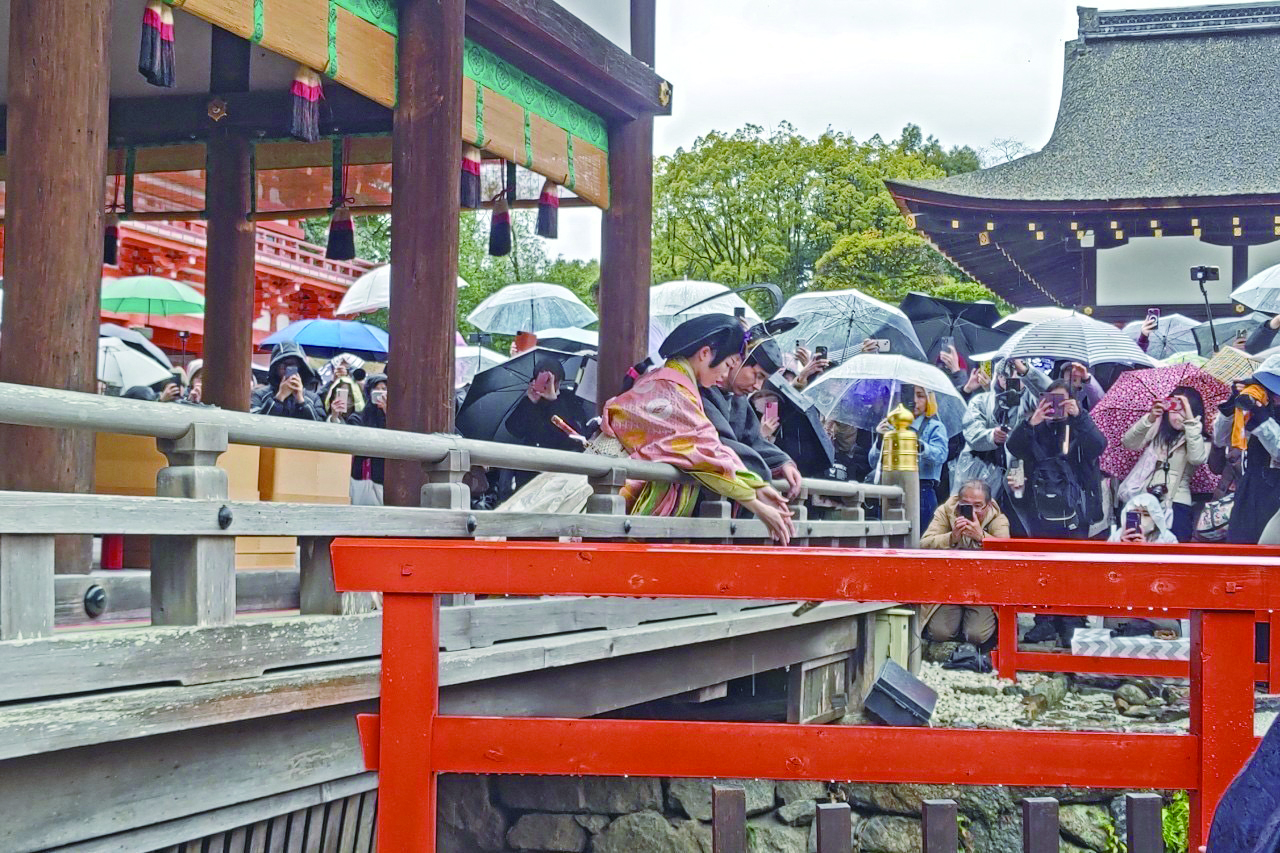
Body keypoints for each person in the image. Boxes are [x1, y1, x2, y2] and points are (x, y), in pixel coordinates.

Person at [603, 313, 795, 545]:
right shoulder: (670, 390)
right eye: (728, 364)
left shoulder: (675, 383)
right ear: (705, 354)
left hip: (615, 498)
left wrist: (759, 484)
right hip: (613, 501)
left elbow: (706, 445)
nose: (726, 374)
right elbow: (702, 451)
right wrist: (754, 498)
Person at [1007, 380, 1106, 645]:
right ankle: (1045, 620)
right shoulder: (1037, 427)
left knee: (1074, 566)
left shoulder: (1079, 425)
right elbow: (1014, 447)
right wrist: (1032, 422)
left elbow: (1099, 445)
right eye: (1051, 400)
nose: (1056, 406)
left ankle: (1072, 620)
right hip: (1042, 507)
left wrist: (1080, 416)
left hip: (1076, 507)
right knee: (1044, 565)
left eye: (1061, 400)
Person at [701, 327, 804, 499]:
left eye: (763, 379)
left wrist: (782, 461)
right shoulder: (701, 391)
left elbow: (754, 440)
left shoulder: (739, 401)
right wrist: (761, 473)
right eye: (758, 375)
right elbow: (720, 443)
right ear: (738, 361)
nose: (758, 386)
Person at [919, 479, 1010, 648]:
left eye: (978, 506)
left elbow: (1005, 553)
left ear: (988, 505)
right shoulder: (945, 512)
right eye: (966, 505)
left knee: (976, 635)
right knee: (939, 632)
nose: (972, 511)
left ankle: (976, 629)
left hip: (983, 587)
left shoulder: (998, 519)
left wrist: (981, 537)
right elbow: (925, 543)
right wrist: (951, 537)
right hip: (949, 584)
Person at [1118, 387, 1208, 542]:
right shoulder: (1158, 428)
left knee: (1174, 551)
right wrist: (1150, 418)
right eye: (1174, 408)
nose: (1177, 416)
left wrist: (1190, 423)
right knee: (1133, 544)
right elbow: (1129, 443)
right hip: (1144, 499)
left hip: (1176, 503)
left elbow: (1197, 458)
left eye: (1183, 409)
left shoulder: (1198, 437)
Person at [1214, 356, 1280, 543]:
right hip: (1249, 486)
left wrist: (1263, 421)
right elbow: (1220, 440)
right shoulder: (1255, 405)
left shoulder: (1262, 413)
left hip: (1275, 492)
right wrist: (1230, 409)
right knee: (1241, 550)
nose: (1273, 395)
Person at [869, 384, 949, 523]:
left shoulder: (935, 426)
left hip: (922, 489)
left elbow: (941, 456)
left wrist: (919, 446)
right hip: (892, 487)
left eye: (920, 396)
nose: (915, 401)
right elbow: (873, 462)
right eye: (910, 395)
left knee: (920, 534)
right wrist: (881, 439)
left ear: (929, 399)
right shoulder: (891, 426)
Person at [251, 341, 326, 420]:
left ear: (301, 368)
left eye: (294, 365)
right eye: (285, 364)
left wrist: (301, 401)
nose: (288, 369)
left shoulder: (313, 398)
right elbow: (255, 422)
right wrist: (279, 398)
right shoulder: (260, 395)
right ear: (276, 367)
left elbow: (319, 424)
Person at [345, 373, 387, 505]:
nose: (381, 393)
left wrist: (387, 414)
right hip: (362, 478)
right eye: (377, 389)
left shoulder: (396, 419)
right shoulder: (358, 417)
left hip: (386, 479)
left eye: (384, 389)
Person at [1109, 492, 1178, 545]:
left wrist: (1145, 548)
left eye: (1146, 514)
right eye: (1135, 513)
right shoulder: (1117, 536)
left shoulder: (1167, 538)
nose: (1141, 518)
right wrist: (1121, 545)